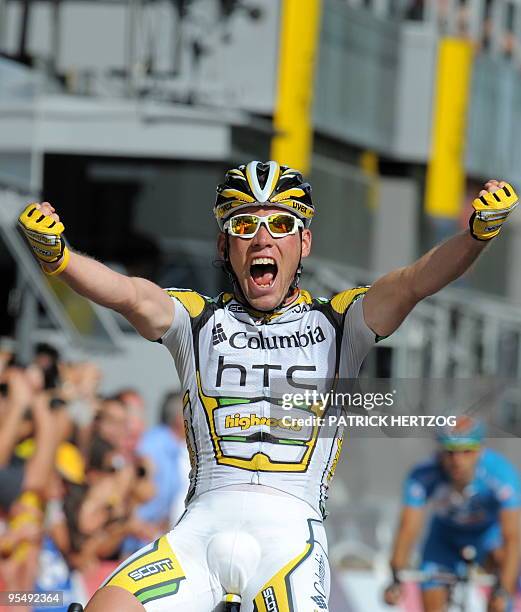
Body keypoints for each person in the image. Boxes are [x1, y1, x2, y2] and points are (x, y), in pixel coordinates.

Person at [17, 161, 518, 611]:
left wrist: (475, 236)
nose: (262, 238)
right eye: (244, 224)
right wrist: (60, 259)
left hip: (289, 536)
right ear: (224, 245)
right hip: (199, 529)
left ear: (304, 244)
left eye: (280, 224)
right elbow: (128, 294)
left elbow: (413, 281)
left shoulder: (340, 322)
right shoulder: (196, 320)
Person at [383, 416, 521, 612]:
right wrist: (395, 577)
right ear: (439, 452)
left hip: (487, 537)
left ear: (479, 451)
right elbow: (408, 529)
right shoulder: (423, 474)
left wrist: (503, 590)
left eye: (466, 451)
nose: (457, 461)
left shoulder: (501, 474)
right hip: (444, 538)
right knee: (432, 599)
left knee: (500, 599)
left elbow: (512, 537)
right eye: (450, 452)